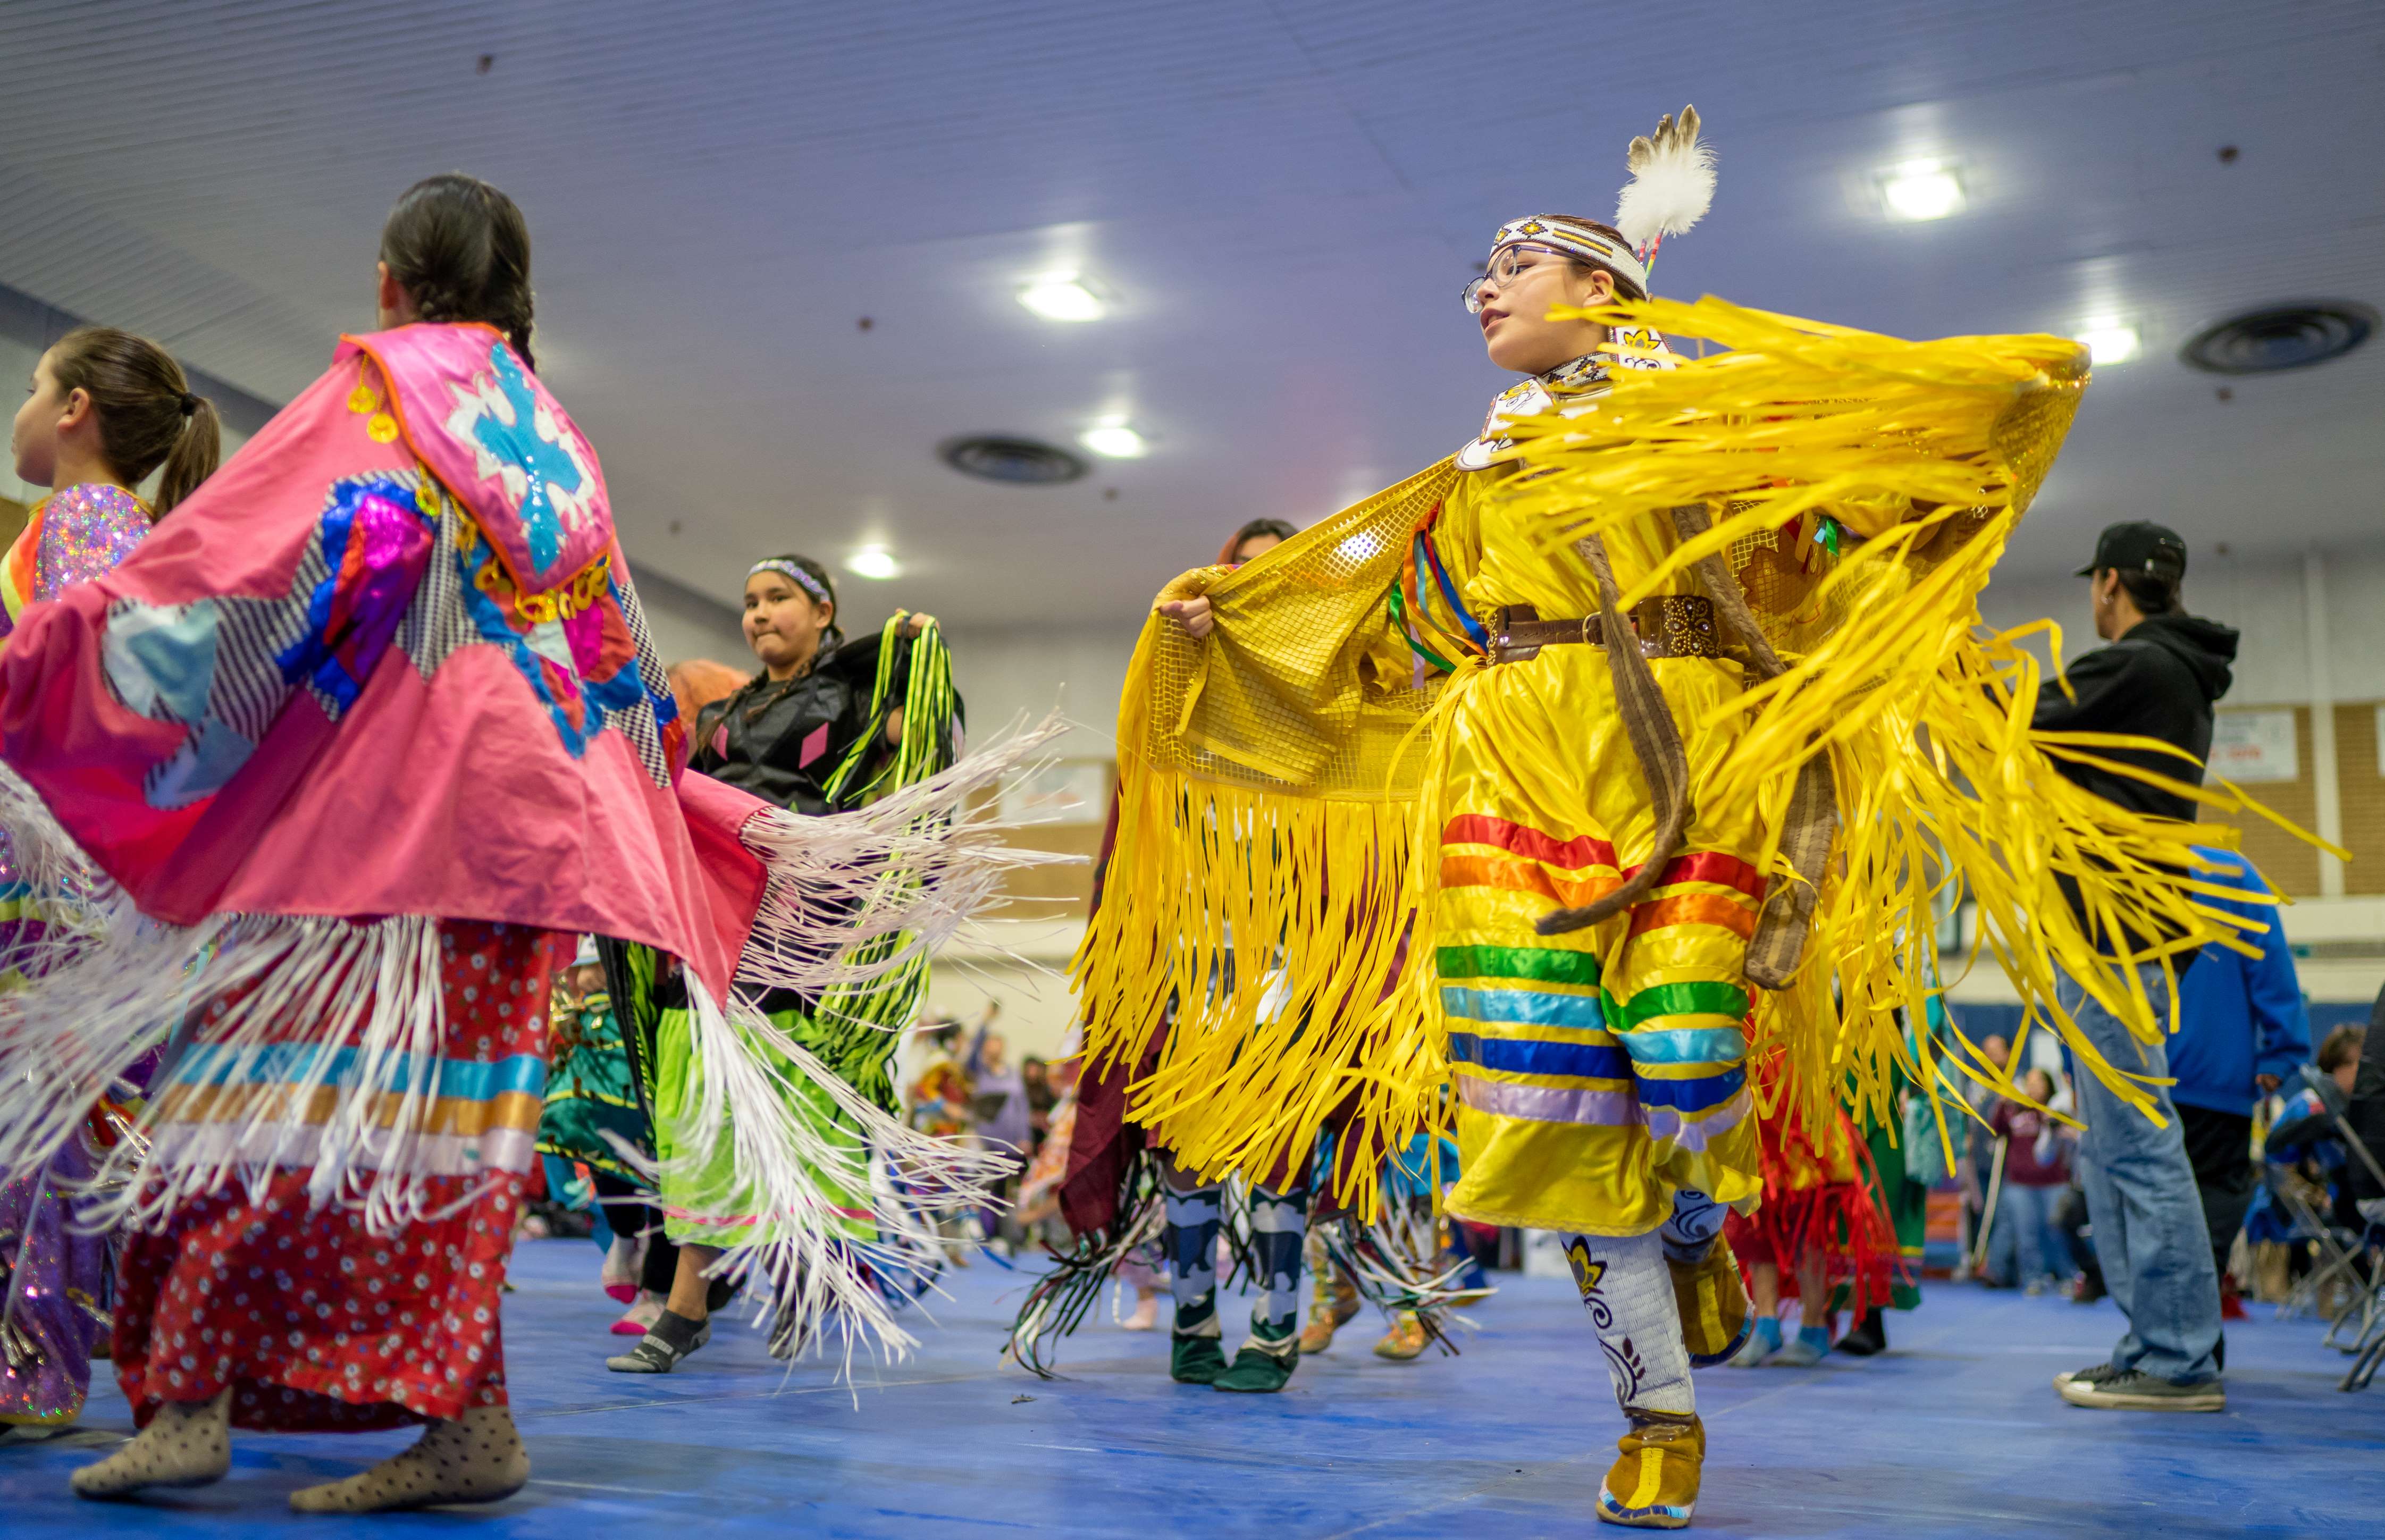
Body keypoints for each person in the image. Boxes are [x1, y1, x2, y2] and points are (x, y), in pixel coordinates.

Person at [1091, 102, 2234, 1527]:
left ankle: (1695, 1219)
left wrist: (1980, 411)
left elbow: (1852, 530)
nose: (1482, 290)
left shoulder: (1707, 442)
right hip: (1504, 780)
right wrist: (1221, 626)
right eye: (1477, 276)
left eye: (1511, 264)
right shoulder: (1467, 484)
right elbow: (1370, 645)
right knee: (1551, 1121)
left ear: (1601, 288)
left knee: (1686, 1062)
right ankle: (1658, 1412)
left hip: (1678, 767)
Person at [0, 174, 1018, 1511]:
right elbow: (618, 658)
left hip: (381, 831)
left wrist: (61, 654)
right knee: (453, 1141)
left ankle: (191, 1398)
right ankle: (449, 1419)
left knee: (231, 1098)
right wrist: (658, 796)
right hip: (515, 843)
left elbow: (268, 556)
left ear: (389, 282)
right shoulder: (548, 434)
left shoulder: (386, 388)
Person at [606, 549, 981, 1373]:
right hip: (717, 931)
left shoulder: (851, 700)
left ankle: (806, 1278)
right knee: (701, 1103)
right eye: (748, 601)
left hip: (804, 935)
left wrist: (918, 659)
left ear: (823, 610)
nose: (758, 612)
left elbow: (932, 737)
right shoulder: (724, 715)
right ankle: (685, 1307)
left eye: (778, 597)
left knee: (799, 1108)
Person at [0, 324, 219, 1438]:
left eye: (37, 388)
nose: (25, 407)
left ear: (77, 408)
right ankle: (117, 1358)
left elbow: (85, 703)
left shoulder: (85, 528)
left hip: (59, 876)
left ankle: (30, 1362)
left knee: (34, 1115)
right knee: (83, 1114)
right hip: (97, 877)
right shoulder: (116, 530)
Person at [2036, 522, 2242, 1413]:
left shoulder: (2140, 667)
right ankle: (2153, 1342)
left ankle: (2179, 1355)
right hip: (2123, 936)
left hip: (2114, 938)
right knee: (2119, 1151)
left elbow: (2006, 721)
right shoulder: (2170, 674)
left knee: (2141, 1150)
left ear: (2109, 582)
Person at [2165, 846, 2308, 1318]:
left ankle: (2171, 1346)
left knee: (2150, 1214)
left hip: (2143, 1078)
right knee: (2204, 1210)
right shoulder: (2230, 871)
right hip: (2213, 1074)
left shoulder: (2112, 855)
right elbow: (2270, 962)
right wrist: (2282, 1050)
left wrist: (2073, 1058)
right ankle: (2184, 1344)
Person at [1984, 1067, 2076, 1293]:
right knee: (2027, 1235)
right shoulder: (2012, 1109)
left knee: (2058, 1232)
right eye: (2030, 1081)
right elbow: (1995, 1131)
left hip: (2054, 1182)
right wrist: (2002, 1104)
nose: (2034, 1087)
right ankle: (2033, 1278)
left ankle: (2069, 1277)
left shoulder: (2056, 1108)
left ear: (2048, 1085)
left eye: (2039, 1082)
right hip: (2019, 1184)